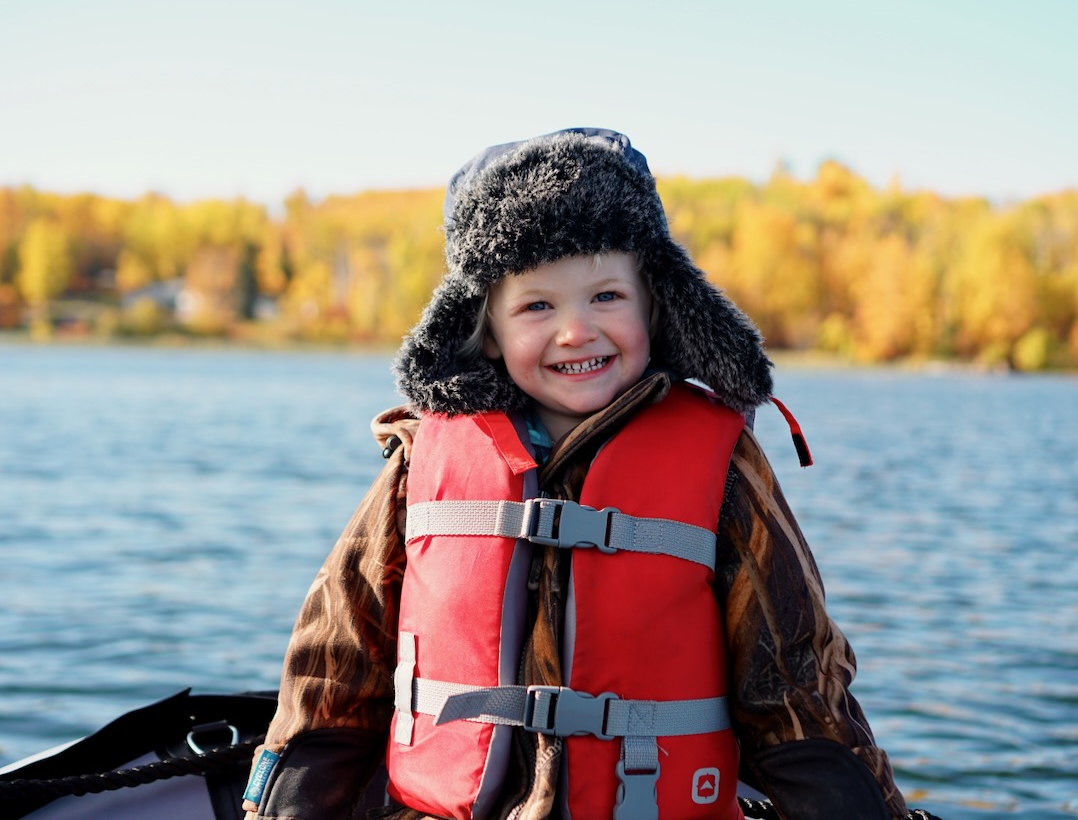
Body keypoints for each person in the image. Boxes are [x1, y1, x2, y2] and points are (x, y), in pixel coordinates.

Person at [242, 128, 927, 820]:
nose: (576, 331)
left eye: (606, 297)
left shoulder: (723, 471)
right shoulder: (422, 465)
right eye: (538, 306)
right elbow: (335, 669)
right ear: (486, 332)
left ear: (656, 306)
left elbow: (797, 687)